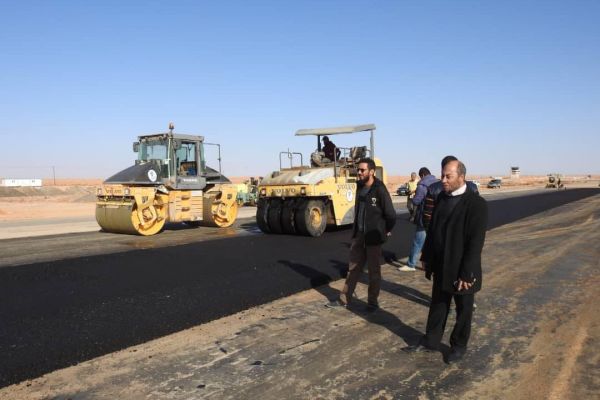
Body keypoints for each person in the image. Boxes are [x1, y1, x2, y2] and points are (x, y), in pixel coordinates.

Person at [404, 160, 487, 364]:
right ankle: (430, 341)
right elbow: (433, 231)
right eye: (442, 175)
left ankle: (458, 346)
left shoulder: (476, 204)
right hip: (442, 264)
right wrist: (426, 257)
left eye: (448, 176)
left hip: (462, 269)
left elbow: (475, 242)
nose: (443, 180)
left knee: (463, 310)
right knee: (438, 305)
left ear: (461, 177)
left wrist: (467, 272)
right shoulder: (442, 198)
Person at [326, 157, 396, 311]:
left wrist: (385, 229)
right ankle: (344, 299)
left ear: (371, 171)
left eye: (362, 170)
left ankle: (372, 302)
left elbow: (391, 214)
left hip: (373, 238)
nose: (359, 172)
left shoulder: (380, 189)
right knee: (353, 269)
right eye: (358, 169)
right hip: (359, 235)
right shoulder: (359, 186)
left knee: (374, 271)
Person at [397, 167, 438, 272]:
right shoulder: (437, 183)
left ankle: (411, 264)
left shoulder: (422, 186)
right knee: (432, 242)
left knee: (418, 242)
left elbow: (416, 201)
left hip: (424, 217)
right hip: (435, 218)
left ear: (422, 175)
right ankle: (429, 264)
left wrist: (414, 198)